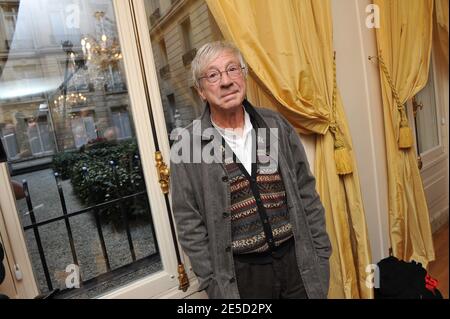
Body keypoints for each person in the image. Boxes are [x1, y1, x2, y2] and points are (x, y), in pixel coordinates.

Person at [170, 41, 331, 299]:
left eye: (232, 69)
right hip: (243, 279)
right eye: (213, 75)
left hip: (297, 265)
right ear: (201, 91)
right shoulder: (188, 145)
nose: (226, 81)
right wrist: (213, 282)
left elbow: (306, 192)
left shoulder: (275, 124)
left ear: (243, 75)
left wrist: (321, 255)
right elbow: (189, 224)